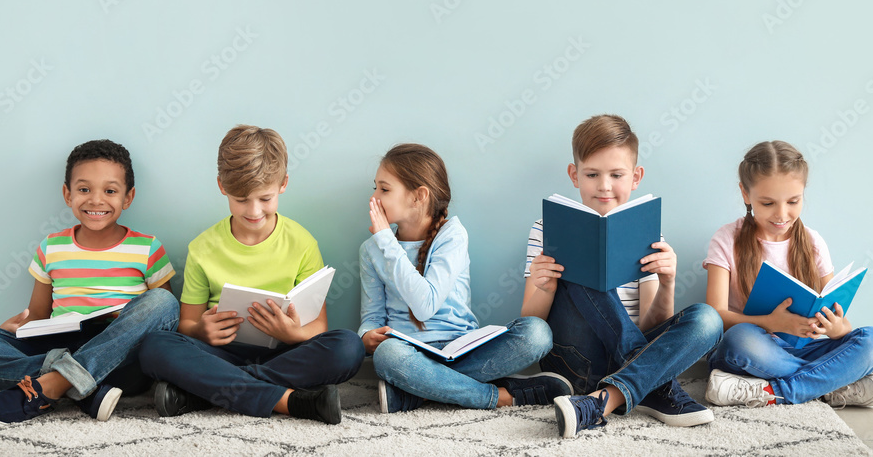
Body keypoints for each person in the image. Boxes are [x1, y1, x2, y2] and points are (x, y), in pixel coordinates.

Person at [139, 125, 364, 424]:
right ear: (222, 186)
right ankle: (290, 401)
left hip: (284, 353)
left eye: (265, 199)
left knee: (348, 347)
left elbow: (319, 328)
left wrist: (292, 333)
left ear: (283, 184)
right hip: (220, 353)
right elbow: (187, 324)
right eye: (242, 200)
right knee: (154, 346)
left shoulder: (302, 243)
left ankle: (201, 392)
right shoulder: (202, 248)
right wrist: (201, 331)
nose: (254, 210)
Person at [0, 139, 179, 427]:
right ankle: (79, 387)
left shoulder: (147, 247)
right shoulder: (52, 246)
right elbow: (38, 315)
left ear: (128, 197)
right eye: (84, 189)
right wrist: (19, 327)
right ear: (67, 194)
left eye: (110, 191)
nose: (96, 200)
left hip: (118, 353)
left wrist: (125, 323)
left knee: (163, 301)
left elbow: (167, 319)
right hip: (61, 344)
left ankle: (57, 384)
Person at [522, 114, 722, 437]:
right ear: (574, 175)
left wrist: (668, 282)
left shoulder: (646, 233)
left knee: (709, 320)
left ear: (635, 177)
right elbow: (529, 322)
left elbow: (648, 326)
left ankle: (602, 401)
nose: (604, 186)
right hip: (575, 361)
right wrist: (545, 285)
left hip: (624, 363)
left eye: (616, 174)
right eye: (592, 174)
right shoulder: (547, 229)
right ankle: (655, 386)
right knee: (581, 255)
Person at [360, 143, 572, 413]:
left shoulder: (452, 235)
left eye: (384, 189)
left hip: (461, 348)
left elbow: (425, 305)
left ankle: (419, 393)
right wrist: (366, 335)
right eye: (375, 187)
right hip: (409, 354)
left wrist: (387, 241)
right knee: (387, 355)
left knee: (538, 333)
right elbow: (372, 317)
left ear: (418, 196)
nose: (374, 198)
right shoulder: (370, 250)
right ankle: (499, 396)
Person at [703, 140, 873, 407]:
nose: (782, 214)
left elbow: (840, 320)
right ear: (745, 194)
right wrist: (771, 323)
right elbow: (715, 316)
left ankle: (771, 391)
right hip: (755, 349)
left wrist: (836, 328)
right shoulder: (726, 239)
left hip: (804, 349)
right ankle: (832, 384)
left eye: (793, 201)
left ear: (803, 193)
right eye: (767, 203)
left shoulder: (813, 243)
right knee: (739, 339)